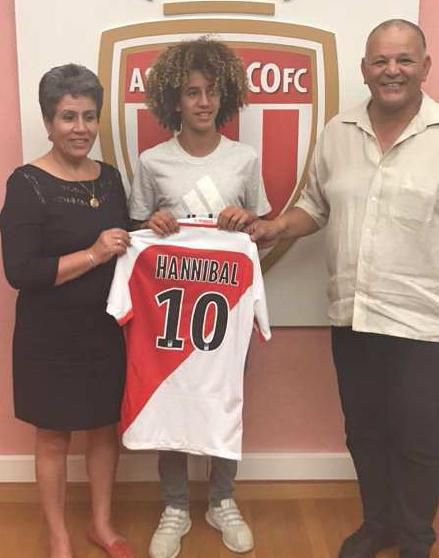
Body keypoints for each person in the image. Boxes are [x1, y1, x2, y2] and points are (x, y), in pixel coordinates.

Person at [249, 19, 439, 558]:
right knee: (366, 432)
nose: (392, 71)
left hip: (424, 320)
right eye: (380, 61)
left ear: (425, 67)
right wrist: (274, 227)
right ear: (364, 69)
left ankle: (415, 538)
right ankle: (377, 524)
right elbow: (315, 205)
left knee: (422, 442)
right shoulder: (337, 131)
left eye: (404, 60)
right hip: (353, 315)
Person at [129, 38, 271, 558]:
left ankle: (222, 498)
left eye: (212, 92)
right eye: (192, 92)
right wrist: (152, 223)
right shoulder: (152, 162)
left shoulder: (244, 159)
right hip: (169, 311)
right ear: (175, 99)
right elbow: (136, 235)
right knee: (171, 397)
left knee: (223, 397)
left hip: (226, 309)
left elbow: (262, 230)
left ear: (226, 96)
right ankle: (173, 505)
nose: (203, 102)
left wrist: (247, 223)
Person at [0, 64, 135, 558]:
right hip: (47, 336)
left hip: (103, 330)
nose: (80, 128)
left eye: (88, 116)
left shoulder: (113, 179)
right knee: (54, 435)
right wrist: (94, 254)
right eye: (67, 117)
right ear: (47, 121)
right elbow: (21, 272)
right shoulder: (27, 183)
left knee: (104, 429)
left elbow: (132, 240)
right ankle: (59, 536)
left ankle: (101, 525)